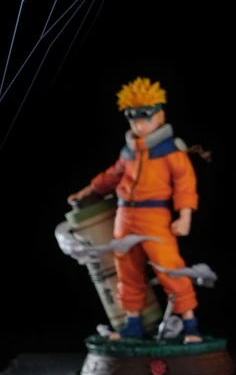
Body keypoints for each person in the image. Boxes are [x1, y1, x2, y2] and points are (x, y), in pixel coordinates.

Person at [68, 77, 202, 342]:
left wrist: (185, 215)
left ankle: (190, 326)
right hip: (124, 216)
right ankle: (132, 324)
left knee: (169, 268)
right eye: (134, 121)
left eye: (145, 119)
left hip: (154, 217)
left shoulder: (171, 151)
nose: (139, 125)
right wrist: (89, 190)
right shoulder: (129, 151)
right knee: (126, 270)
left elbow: (185, 184)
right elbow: (113, 175)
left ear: (159, 116)